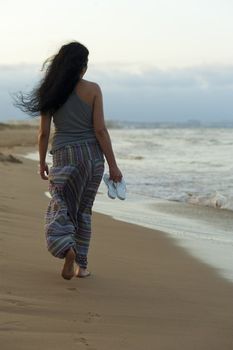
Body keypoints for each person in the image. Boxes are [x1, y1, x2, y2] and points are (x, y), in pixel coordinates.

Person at [13, 41, 123, 280]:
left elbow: (43, 133)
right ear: (82, 66)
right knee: (84, 210)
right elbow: (101, 131)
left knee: (60, 205)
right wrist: (113, 166)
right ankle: (81, 267)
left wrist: (41, 162)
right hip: (93, 158)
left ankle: (66, 247)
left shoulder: (50, 91)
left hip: (65, 155)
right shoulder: (93, 89)